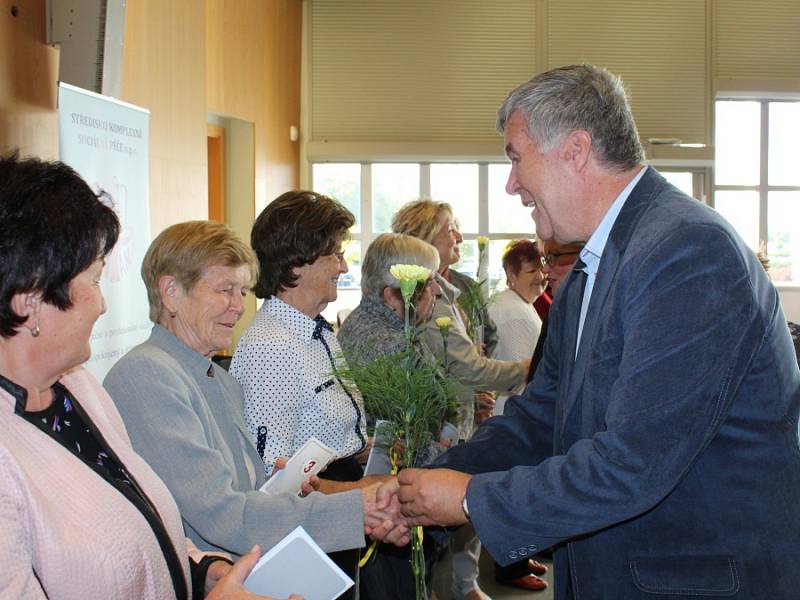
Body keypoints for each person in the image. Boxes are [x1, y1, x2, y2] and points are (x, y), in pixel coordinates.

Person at [384, 64, 800, 599]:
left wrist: (468, 498)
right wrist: (422, 487)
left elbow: (634, 461)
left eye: (515, 157)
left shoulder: (689, 249)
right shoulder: (593, 266)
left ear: (575, 150)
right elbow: (540, 419)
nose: (511, 184)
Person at [0, 153, 296, 599]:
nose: (102, 305)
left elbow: (148, 520)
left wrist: (201, 571)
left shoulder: (79, 390)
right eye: (95, 280)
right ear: (30, 298)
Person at [103, 220, 406, 582]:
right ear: (170, 292)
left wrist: (283, 483)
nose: (237, 307)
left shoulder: (217, 378)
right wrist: (361, 509)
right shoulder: (146, 375)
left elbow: (241, 490)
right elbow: (221, 514)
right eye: (225, 290)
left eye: (243, 291)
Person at [393, 199, 529, 600]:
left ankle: (464, 586)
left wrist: (482, 389)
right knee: (432, 511)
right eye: (449, 228)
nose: (459, 236)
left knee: (464, 505)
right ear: (422, 237)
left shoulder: (460, 288)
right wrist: (530, 367)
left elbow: (477, 348)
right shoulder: (421, 294)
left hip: (468, 412)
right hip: (439, 423)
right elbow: (463, 366)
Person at [337, 232, 446, 600]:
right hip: (391, 500)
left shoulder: (360, 323)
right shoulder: (391, 343)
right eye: (430, 283)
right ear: (393, 295)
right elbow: (407, 437)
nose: (438, 293)